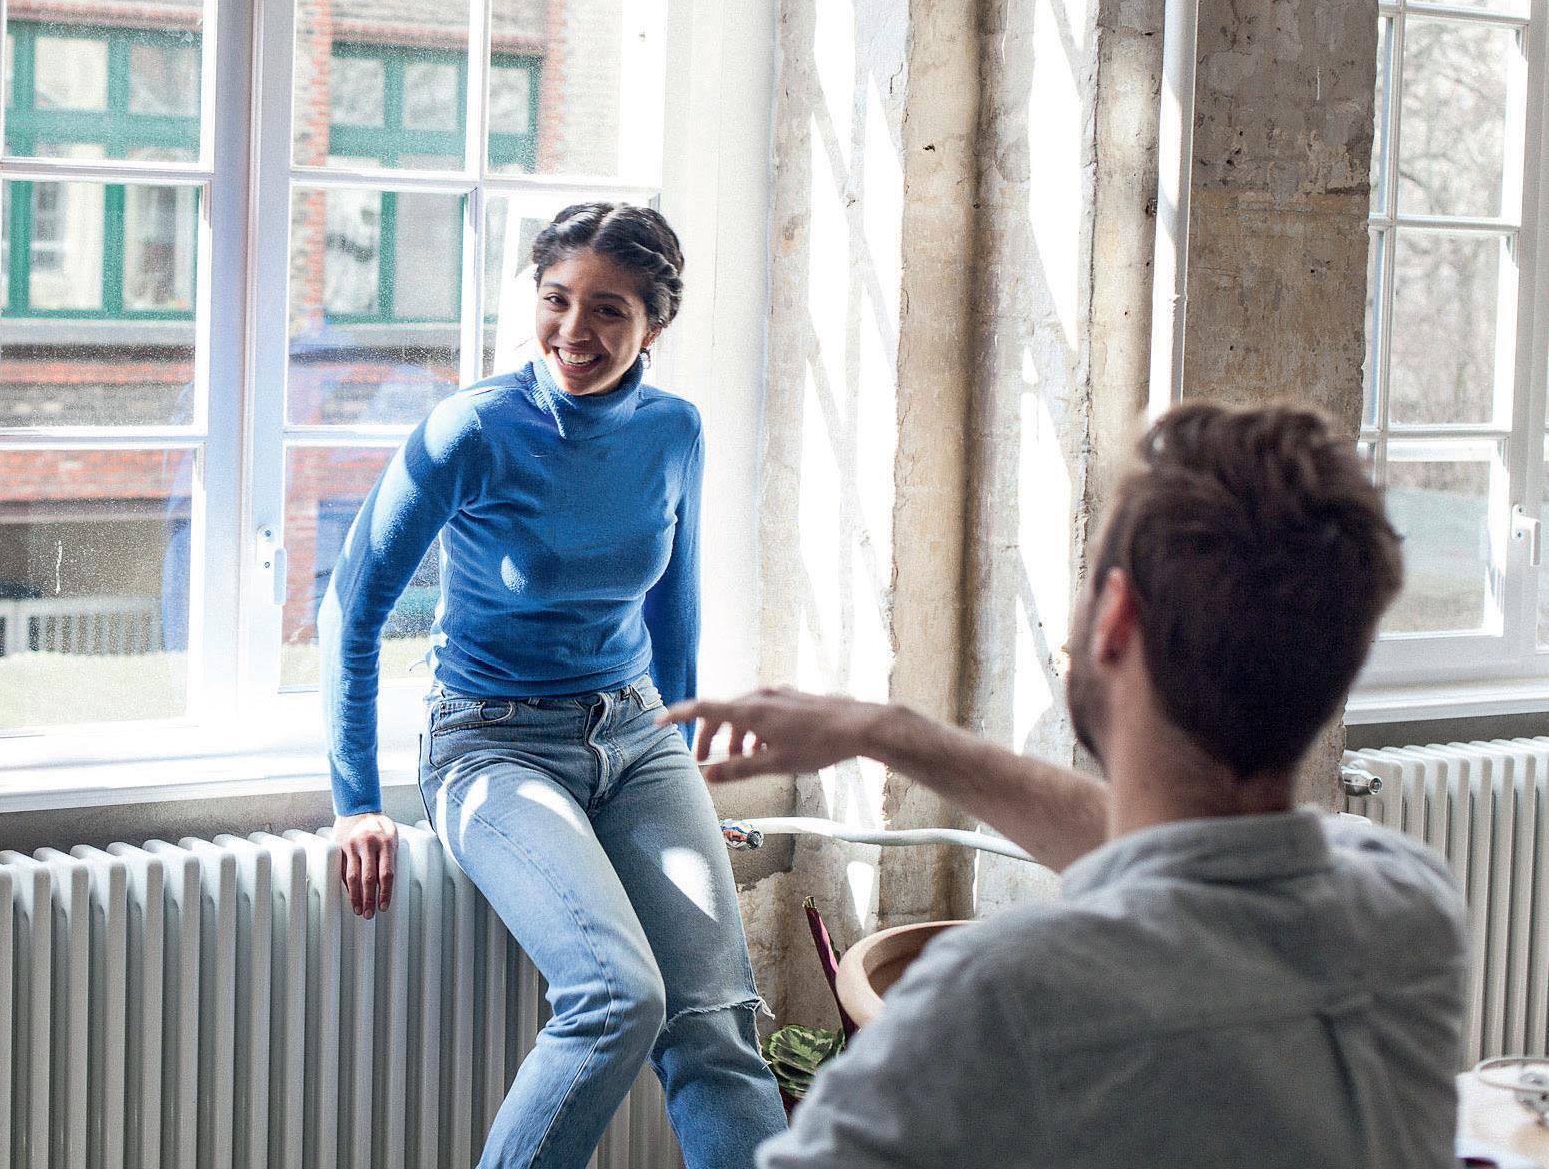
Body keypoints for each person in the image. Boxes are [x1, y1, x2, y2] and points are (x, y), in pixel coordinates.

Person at [665, 402, 1469, 1169]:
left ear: (1117, 615)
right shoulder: (1406, 907)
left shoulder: (1000, 1002)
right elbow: (1183, 856)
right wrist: (891, 733)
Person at [323, 203, 786, 1169]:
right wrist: (356, 802)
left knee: (715, 1026)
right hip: (491, 746)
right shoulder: (473, 429)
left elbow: (675, 610)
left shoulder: (673, 430)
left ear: (652, 325)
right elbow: (351, 608)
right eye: (556, 300)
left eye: (609, 311)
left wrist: (688, 753)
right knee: (618, 997)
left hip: (636, 739)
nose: (576, 333)